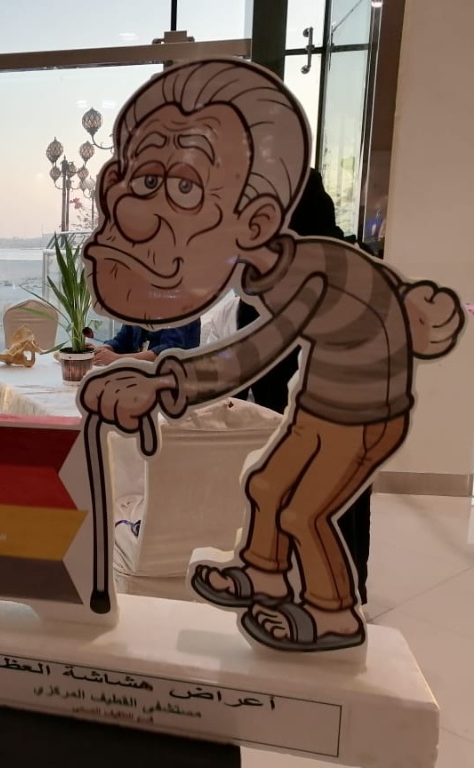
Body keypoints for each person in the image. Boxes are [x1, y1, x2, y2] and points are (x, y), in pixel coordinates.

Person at [78, 59, 463, 652]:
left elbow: (249, 356)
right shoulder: (282, 271)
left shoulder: (316, 275)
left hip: (362, 416)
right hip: (320, 403)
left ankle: (334, 613)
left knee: (304, 513)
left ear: (265, 221)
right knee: (264, 484)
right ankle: (263, 571)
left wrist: (163, 383)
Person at [234, 168, 374, 604]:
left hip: (304, 416)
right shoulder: (354, 264)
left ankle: (316, 596)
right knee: (344, 503)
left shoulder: (283, 279)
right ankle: (349, 592)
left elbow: (249, 365)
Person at [91, 319, 201, 366]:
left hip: (173, 383)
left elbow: (168, 352)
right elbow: (123, 339)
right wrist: (104, 349)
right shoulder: (138, 302)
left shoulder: (182, 306)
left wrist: (116, 359)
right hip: (140, 379)